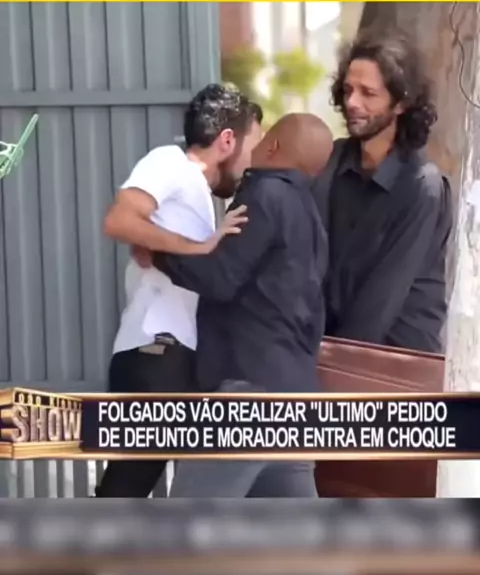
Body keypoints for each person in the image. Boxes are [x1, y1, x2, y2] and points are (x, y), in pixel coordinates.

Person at [153, 113, 333, 498]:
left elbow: (221, 277)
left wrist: (159, 252)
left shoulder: (265, 194)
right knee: (299, 533)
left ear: (274, 147)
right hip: (297, 400)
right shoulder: (311, 216)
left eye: (263, 138)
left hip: (249, 396)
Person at [94, 85, 263, 497]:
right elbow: (119, 221)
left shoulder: (201, 197)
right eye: (252, 148)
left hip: (174, 359)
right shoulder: (170, 161)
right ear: (227, 141)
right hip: (156, 351)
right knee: (126, 488)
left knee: (147, 489)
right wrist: (201, 247)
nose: (252, 164)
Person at [311, 29, 452, 353]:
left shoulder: (421, 186)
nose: (352, 103)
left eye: (368, 93)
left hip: (395, 361)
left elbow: (381, 301)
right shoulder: (332, 159)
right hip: (330, 347)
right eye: (348, 90)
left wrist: (332, 360)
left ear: (401, 103)